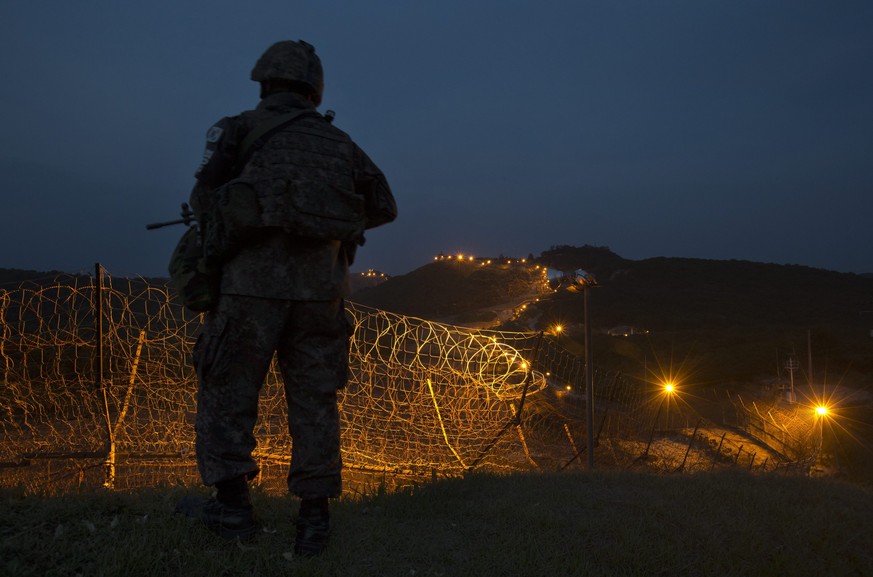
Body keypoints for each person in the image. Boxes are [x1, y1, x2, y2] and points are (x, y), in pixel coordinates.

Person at [174, 39, 396, 557]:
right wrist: (334, 226)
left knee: (227, 395)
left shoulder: (237, 129)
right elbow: (384, 205)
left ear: (265, 81)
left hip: (249, 290)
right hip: (322, 295)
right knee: (315, 403)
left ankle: (231, 511)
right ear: (314, 89)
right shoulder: (340, 143)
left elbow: (204, 198)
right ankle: (314, 523)